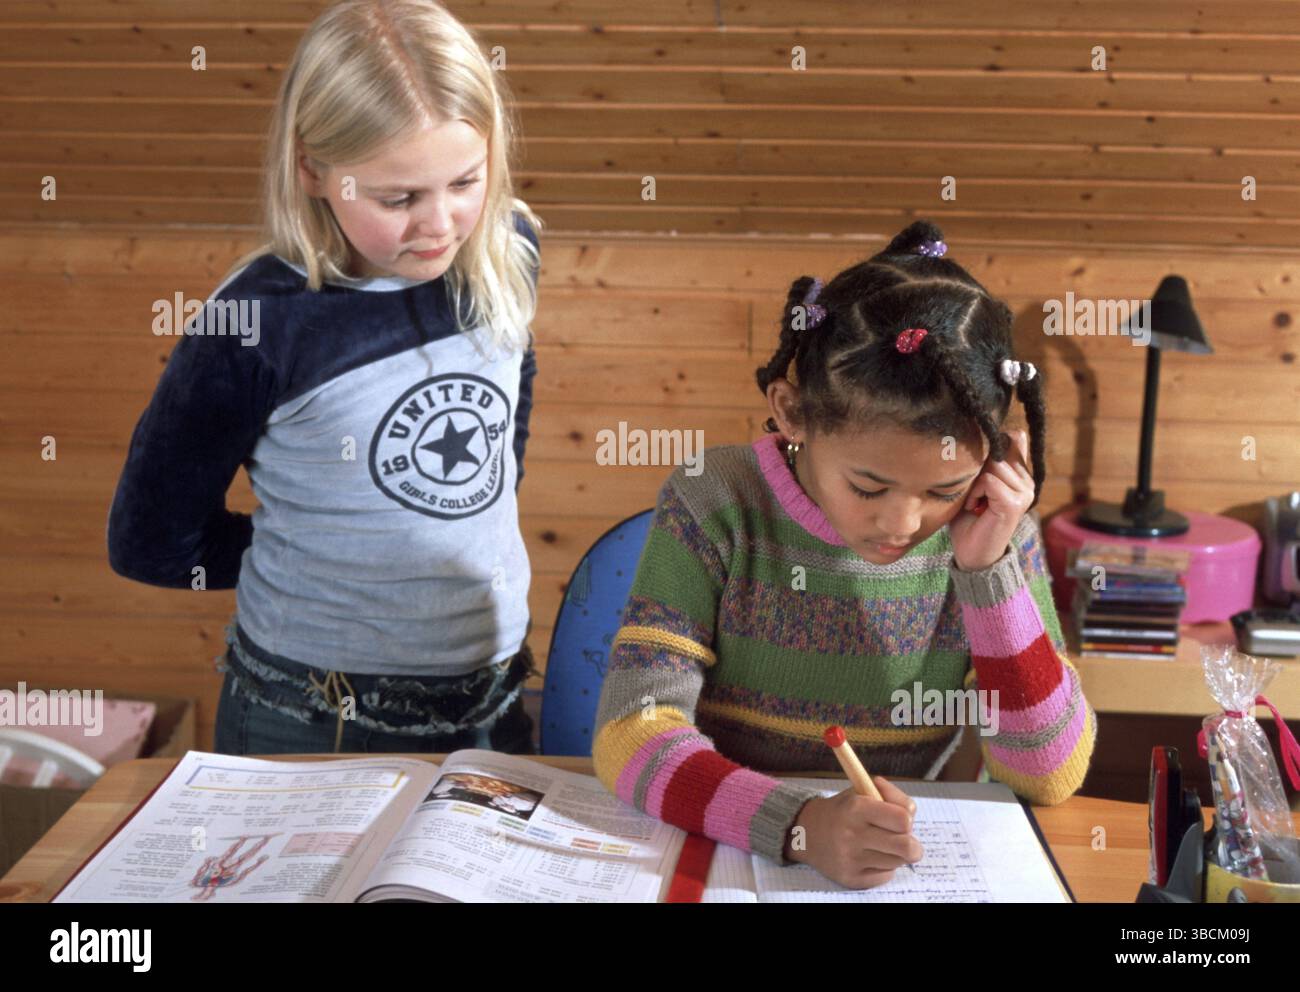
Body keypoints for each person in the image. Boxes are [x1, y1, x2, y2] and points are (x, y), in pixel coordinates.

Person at [591, 219, 1097, 889]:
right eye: (868, 485)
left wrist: (988, 573)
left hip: (899, 863)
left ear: (996, 455)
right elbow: (632, 729)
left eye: (942, 489)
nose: (902, 522)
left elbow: (1048, 775)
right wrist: (798, 824)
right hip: (726, 845)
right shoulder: (714, 499)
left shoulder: (995, 533)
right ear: (791, 412)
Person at [107, 0, 544, 756]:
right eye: (397, 198)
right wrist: (310, 552)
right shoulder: (255, 320)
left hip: (490, 704)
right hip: (310, 717)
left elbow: (509, 413)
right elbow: (150, 539)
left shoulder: (510, 245)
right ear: (312, 169)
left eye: (466, 181)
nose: (439, 224)